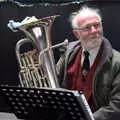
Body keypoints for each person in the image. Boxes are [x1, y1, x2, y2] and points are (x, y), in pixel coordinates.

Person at [56, 5, 120, 120]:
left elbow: (116, 107)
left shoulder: (117, 63)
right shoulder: (67, 54)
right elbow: (54, 86)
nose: (94, 31)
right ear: (76, 34)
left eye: (97, 25)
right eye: (87, 27)